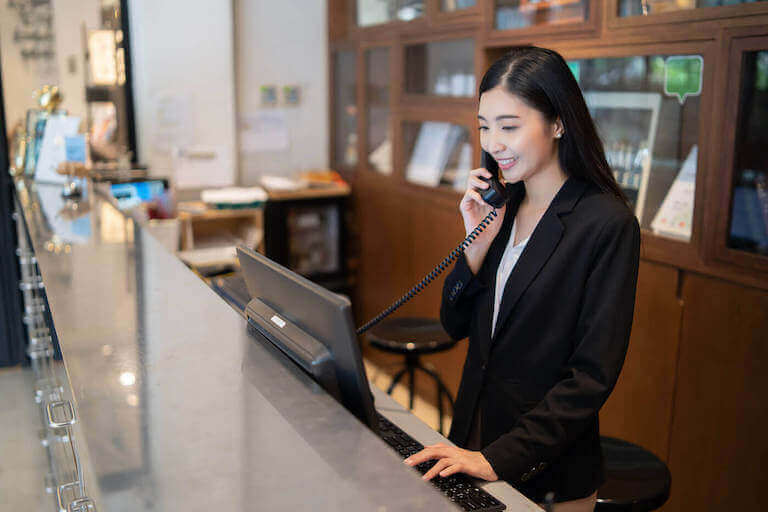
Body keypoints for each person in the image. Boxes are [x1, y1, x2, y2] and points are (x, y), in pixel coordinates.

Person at [403, 46, 641, 511]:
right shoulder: (502, 208)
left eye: (509, 127)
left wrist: (498, 459)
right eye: (484, 127)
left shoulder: (606, 224)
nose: (493, 143)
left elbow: (590, 378)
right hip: (472, 438)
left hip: (545, 467)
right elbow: (454, 324)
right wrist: (474, 246)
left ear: (558, 124)